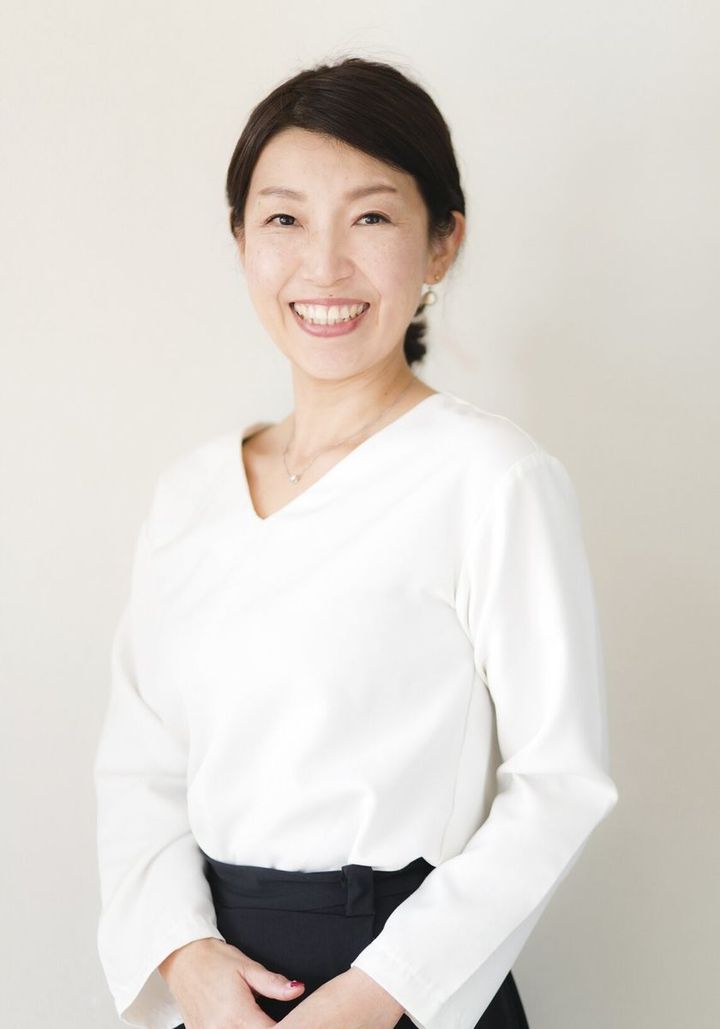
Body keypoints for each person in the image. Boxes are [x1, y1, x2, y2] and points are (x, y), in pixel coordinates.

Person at [93, 56, 619, 1029]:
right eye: (285, 219)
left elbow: (560, 783)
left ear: (442, 243)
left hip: (404, 982)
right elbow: (141, 767)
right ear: (241, 239)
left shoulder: (492, 478)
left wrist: (378, 995)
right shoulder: (189, 495)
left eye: (371, 217)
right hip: (216, 991)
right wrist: (186, 958)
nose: (325, 267)